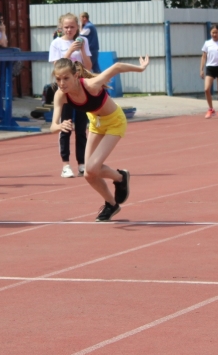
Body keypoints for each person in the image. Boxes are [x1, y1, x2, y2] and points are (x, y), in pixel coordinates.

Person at [49, 56, 150, 221]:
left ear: (75, 76)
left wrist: (141, 68)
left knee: (92, 167)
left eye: (66, 78)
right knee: (89, 174)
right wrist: (60, 126)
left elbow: (116, 67)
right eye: (58, 79)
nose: (61, 83)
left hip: (115, 122)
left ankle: (120, 177)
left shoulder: (90, 85)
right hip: (96, 124)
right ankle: (111, 204)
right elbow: (52, 126)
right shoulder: (61, 95)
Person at [49, 13, 92, 178]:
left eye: (72, 27)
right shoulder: (57, 43)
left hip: (80, 87)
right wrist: (69, 51)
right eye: (66, 27)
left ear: (77, 28)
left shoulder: (83, 41)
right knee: (65, 126)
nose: (69, 30)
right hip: (65, 89)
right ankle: (65, 165)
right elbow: (57, 67)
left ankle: (82, 163)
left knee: (81, 128)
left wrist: (81, 50)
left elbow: (88, 65)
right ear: (61, 28)